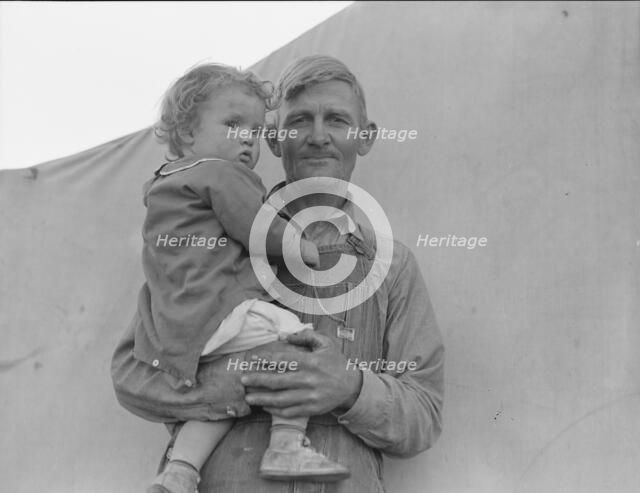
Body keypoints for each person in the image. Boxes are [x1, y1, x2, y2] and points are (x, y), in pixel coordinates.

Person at [112, 55, 444, 493]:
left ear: (365, 138)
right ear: (272, 139)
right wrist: (234, 382)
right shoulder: (205, 239)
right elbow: (133, 375)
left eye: (338, 120)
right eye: (300, 121)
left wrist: (349, 388)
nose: (319, 137)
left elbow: (424, 412)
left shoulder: (392, 267)